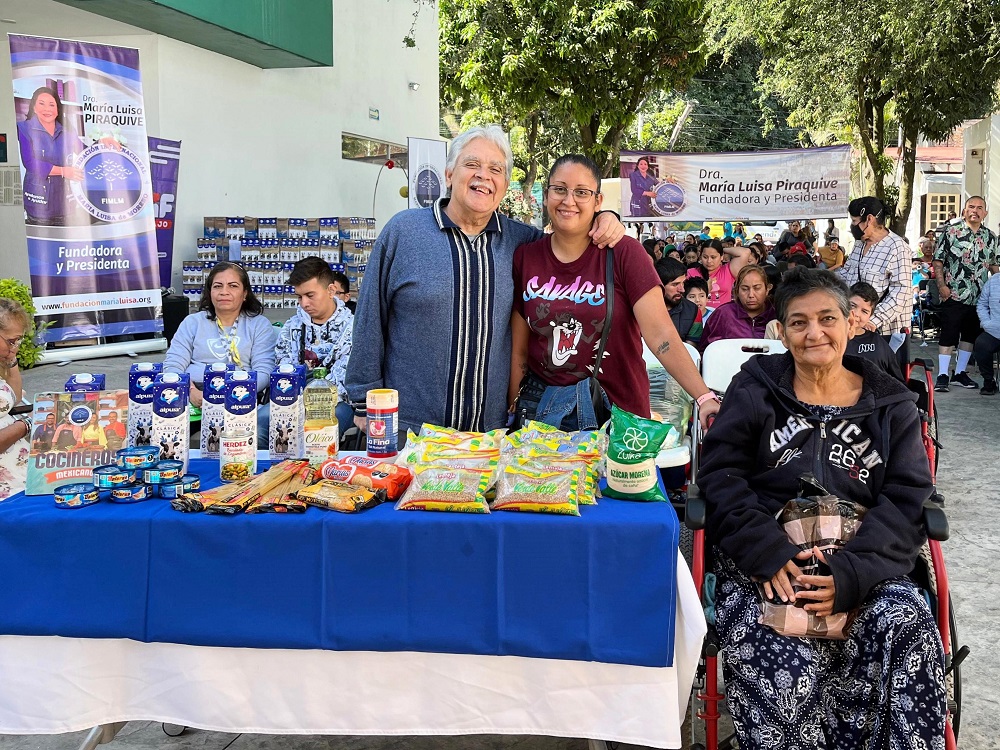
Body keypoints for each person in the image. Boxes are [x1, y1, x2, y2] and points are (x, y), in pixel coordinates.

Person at [698, 267, 946, 749]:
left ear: (851, 322)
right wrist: (765, 552)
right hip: (770, 564)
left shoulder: (890, 403)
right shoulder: (754, 391)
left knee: (905, 629)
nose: (814, 333)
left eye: (827, 318)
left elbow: (907, 496)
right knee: (778, 660)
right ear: (781, 331)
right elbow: (720, 478)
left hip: (868, 562)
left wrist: (851, 575)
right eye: (798, 322)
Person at [346, 125, 625, 437]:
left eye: (495, 169)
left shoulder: (524, 243)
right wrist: (362, 402)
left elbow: (571, 236)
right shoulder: (403, 232)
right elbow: (369, 319)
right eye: (472, 165)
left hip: (488, 436)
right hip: (409, 432)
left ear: (505, 184)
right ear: (449, 174)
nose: (484, 176)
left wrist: (607, 217)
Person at [508, 154, 720, 431]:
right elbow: (520, 350)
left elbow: (661, 335)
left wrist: (703, 397)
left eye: (581, 192)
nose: (568, 200)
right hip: (544, 416)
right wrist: (512, 409)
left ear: (597, 201)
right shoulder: (526, 256)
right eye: (559, 189)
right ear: (547, 195)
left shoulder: (623, 253)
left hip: (618, 415)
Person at [163, 261, 277, 427]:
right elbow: (172, 365)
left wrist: (234, 392)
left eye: (232, 286)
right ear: (210, 292)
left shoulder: (259, 325)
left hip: (240, 396)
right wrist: (190, 391)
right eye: (217, 286)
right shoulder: (192, 322)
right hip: (194, 395)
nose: (224, 292)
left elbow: (264, 372)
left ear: (245, 293)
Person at [274, 256, 355, 434]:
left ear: (331, 290)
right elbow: (282, 367)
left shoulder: (354, 327)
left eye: (310, 295)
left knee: (318, 429)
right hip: (292, 401)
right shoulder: (291, 326)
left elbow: (347, 379)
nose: (304, 303)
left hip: (338, 402)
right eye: (299, 297)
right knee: (262, 424)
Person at [932, 195, 999, 392]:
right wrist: (941, 285)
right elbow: (938, 260)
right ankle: (943, 375)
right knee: (948, 335)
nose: (975, 211)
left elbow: (994, 265)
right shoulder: (951, 232)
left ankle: (960, 373)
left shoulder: (990, 237)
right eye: (971, 207)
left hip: (979, 297)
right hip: (954, 293)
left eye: (979, 208)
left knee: (970, 337)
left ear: (985, 213)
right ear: (964, 211)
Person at [836, 196, 912, 364]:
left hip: (886, 332)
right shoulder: (859, 244)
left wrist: (872, 320)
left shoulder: (897, 248)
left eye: (855, 221)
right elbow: (847, 275)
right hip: (856, 327)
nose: (853, 226)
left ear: (869, 219)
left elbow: (901, 292)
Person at [16, 87, 86, 226]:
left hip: (65, 203)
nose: (47, 108)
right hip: (39, 203)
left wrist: (102, 143)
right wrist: (63, 171)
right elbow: (30, 162)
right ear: (34, 108)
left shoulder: (67, 131)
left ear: (57, 109)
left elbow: (84, 151)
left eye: (51, 104)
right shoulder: (24, 128)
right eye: (41, 103)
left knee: (64, 246)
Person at [700, 265, 776, 348]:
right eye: (744, 289)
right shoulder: (724, 314)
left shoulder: (776, 314)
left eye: (757, 288)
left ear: (767, 289)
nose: (751, 295)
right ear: (736, 291)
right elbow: (706, 350)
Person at [0, 299, 31, 499]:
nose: (16, 347)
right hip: (9, 493)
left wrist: (10, 357)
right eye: (12, 341)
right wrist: (26, 424)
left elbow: (14, 396)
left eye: (19, 341)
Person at [847, 282, 904, 381]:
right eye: (852, 306)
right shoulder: (832, 339)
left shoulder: (877, 341)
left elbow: (897, 379)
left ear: (870, 316)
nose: (856, 314)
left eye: (864, 311)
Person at [686, 239, 751, 307]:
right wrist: (706, 289)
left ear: (721, 256)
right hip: (699, 315)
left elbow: (746, 252)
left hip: (723, 316)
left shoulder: (728, 270)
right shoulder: (691, 273)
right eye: (705, 257)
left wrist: (721, 249)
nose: (709, 261)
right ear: (700, 256)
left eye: (713, 257)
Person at [656, 257, 699, 343]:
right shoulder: (641, 309)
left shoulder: (693, 311)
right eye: (675, 284)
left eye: (683, 283)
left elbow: (691, 348)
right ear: (659, 285)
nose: (682, 289)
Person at [974, 270, 1000, 395]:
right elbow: (982, 304)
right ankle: (989, 382)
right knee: (981, 344)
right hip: (994, 330)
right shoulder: (994, 280)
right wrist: (986, 322)